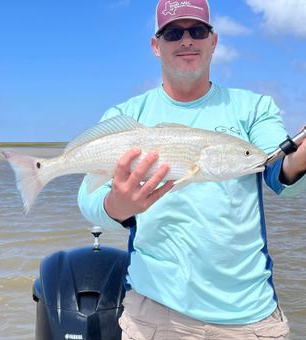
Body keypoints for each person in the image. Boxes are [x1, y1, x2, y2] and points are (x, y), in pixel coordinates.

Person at [78, 0, 306, 338]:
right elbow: (88, 198)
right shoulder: (125, 114)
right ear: (156, 46)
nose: (186, 40)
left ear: (213, 41)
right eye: (173, 33)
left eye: (197, 31)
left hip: (249, 314)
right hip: (155, 311)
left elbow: (280, 173)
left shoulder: (253, 107)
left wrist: (301, 158)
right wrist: (118, 206)